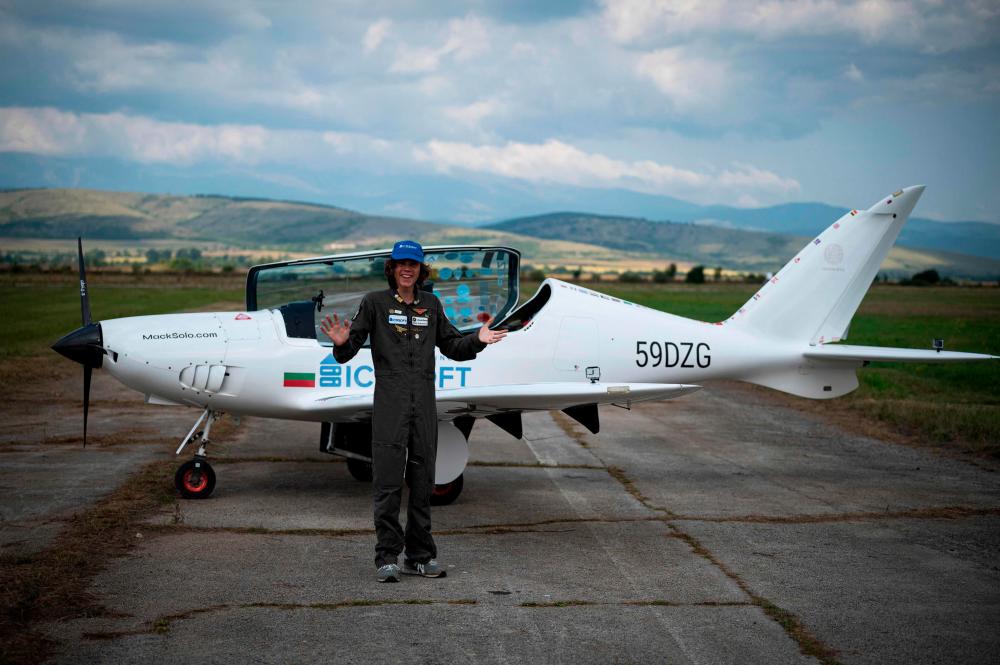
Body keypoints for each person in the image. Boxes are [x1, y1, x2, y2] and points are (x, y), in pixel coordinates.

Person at [321, 240, 507, 583]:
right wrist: (340, 342)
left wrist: (478, 339)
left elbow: (453, 346)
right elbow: (347, 353)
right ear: (392, 269)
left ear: (422, 270)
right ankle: (387, 557)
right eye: (401, 263)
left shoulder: (431, 304)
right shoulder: (374, 303)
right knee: (388, 483)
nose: (408, 269)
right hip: (390, 405)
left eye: (414, 264)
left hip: (423, 405)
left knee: (423, 482)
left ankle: (420, 557)